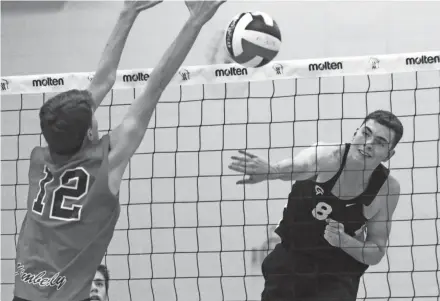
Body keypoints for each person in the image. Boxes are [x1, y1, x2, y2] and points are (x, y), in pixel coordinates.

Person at [13, 1, 226, 300]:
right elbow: (155, 86)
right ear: (89, 131)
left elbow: (103, 80)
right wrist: (195, 21)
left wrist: (129, 11)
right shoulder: (107, 165)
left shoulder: (41, 157)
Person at [229, 110, 403, 300]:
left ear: (388, 154)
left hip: (338, 273)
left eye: (380, 142)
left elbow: (376, 251)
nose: (368, 144)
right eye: (366, 133)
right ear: (355, 133)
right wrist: (273, 171)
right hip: (292, 258)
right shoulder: (327, 155)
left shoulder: (387, 188)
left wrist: (344, 241)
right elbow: (298, 166)